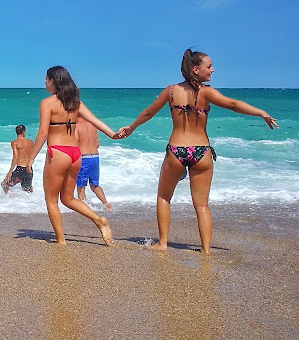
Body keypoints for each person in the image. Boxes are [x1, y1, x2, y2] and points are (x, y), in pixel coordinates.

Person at [119, 49, 278, 254]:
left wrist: (131, 127)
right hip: (201, 152)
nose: (213, 70)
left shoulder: (171, 91)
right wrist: (261, 113)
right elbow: (233, 104)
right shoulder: (206, 93)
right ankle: (205, 249)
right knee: (201, 204)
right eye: (209, 66)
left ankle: (163, 244)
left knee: (164, 197)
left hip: (176, 151)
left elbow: (149, 112)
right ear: (196, 69)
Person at [27, 66, 119, 246]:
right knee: (68, 198)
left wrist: (30, 158)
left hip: (58, 153)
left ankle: (61, 241)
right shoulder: (75, 103)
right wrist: (113, 135)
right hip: (76, 154)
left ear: (54, 80)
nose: (44, 81)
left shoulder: (47, 103)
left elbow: (43, 134)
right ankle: (99, 220)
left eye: (46, 78)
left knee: (51, 200)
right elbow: (95, 121)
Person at [74, 117, 112, 211]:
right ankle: (106, 203)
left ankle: (83, 208)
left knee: (81, 186)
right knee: (94, 185)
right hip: (95, 157)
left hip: (83, 158)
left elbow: (74, 144)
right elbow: (97, 144)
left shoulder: (76, 126)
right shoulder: (92, 125)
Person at [2, 125, 34, 194]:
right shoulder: (31, 142)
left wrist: (10, 171)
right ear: (24, 132)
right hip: (29, 169)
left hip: (20, 170)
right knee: (28, 191)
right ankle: (30, 203)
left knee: (4, 184)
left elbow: (15, 157)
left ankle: (9, 200)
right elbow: (33, 156)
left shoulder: (15, 142)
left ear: (16, 132)